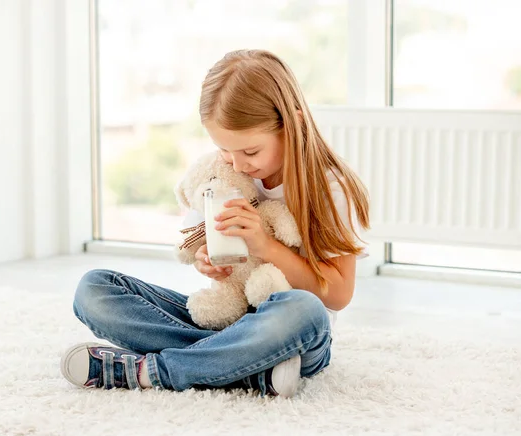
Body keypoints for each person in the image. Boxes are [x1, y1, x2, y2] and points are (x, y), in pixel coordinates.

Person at [60, 49, 370, 398]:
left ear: (294, 124)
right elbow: (192, 242)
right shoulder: (219, 175)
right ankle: (243, 368)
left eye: (250, 152)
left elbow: (339, 294)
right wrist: (205, 258)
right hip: (228, 320)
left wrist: (266, 247)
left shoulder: (329, 188)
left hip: (289, 331)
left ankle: (155, 372)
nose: (237, 166)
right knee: (95, 289)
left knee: (304, 311)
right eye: (224, 150)